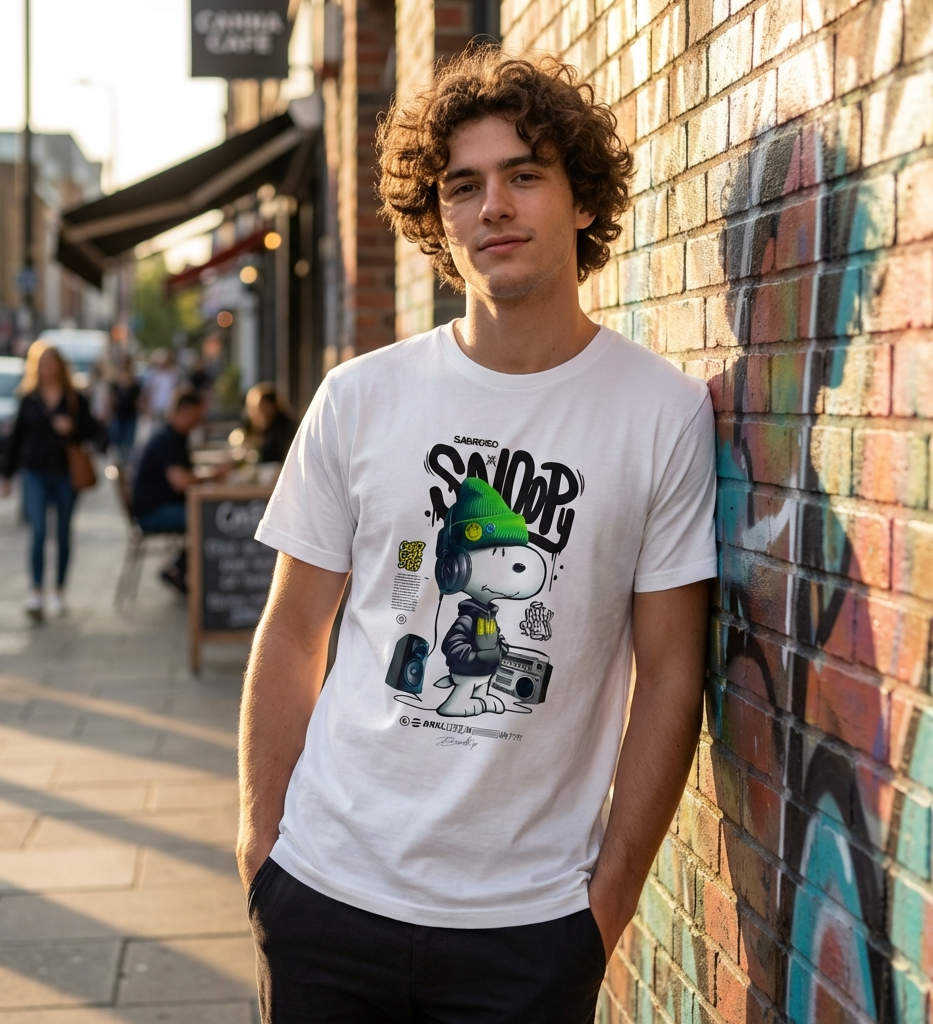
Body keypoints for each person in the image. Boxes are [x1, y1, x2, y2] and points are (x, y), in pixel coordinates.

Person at [238, 49, 717, 1023]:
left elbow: (672, 670)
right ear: (437, 216)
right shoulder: (359, 398)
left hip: (531, 929)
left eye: (524, 175)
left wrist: (606, 903)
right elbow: (292, 630)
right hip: (327, 895)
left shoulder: (659, 413)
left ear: (581, 203)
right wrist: (261, 850)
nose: (492, 205)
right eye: (464, 185)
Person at [5, 342, 97, 621]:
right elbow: (16, 439)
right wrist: (6, 475)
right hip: (34, 472)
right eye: (43, 363)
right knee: (38, 532)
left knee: (63, 532)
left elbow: (94, 430)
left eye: (53, 362)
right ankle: (36, 591)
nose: (48, 369)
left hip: (65, 472)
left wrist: (73, 428)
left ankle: (59, 589)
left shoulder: (74, 398)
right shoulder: (29, 399)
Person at [131, 390, 228, 593]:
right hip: (153, 512)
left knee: (207, 516)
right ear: (186, 411)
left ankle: (179, 570)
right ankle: (180, 571)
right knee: (207, 519)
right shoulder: (167, 439)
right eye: (198, 414)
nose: (201, 420)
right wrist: (213, 475)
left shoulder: (176, 437)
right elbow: (181, 482)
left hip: (161, 506)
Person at [244, 382, 297, 464]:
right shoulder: (260, 427)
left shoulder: (284, 426)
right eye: (260, 406)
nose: (263, 410)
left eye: (266, 405)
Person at [108, 355, 140, 466]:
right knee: (117, 442)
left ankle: (125, 464)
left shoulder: (135, 382)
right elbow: (111, 400)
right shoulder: (115, 382)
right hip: (118, 415)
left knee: (128, 442)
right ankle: (119, 464)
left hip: (130, 415)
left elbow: (138, 400)